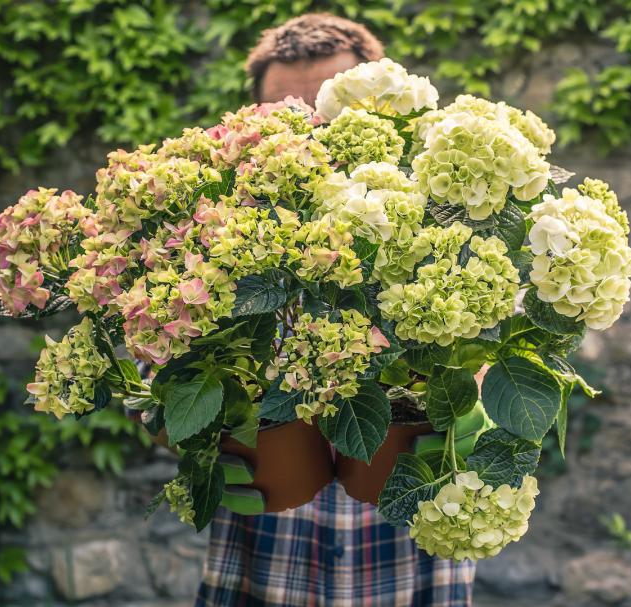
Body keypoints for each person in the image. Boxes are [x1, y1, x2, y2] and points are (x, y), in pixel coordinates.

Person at [194, 14, 477, 607]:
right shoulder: (215, 230)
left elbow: (504, 338)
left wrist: (476, 406)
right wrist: (189, 430)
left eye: (327, 115)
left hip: (408, 571)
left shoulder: (445, 219)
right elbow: (157, 352)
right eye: (285, 116)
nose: (309, 135)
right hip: (262, 570)